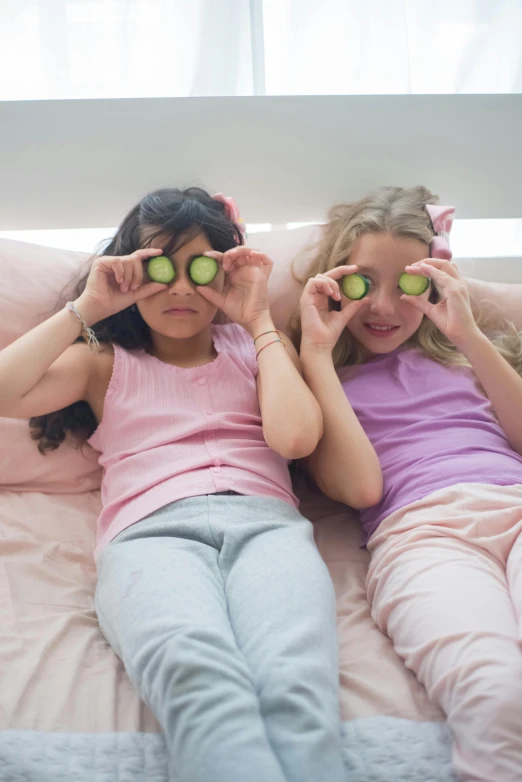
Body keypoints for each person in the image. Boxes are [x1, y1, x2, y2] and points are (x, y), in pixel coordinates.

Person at [0, 187, 382, 782]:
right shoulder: (104, 363)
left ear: (225, 272)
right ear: (130, 272)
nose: (179, 289)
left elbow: (296, 439)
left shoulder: (257, 347)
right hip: (150, 537)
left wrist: (257, 320)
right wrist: (89, 307)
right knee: (199, 678)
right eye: (159, 268)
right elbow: (6, 389)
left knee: (295, 683)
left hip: (266, 528)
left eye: (198, 269)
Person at [295, 185, 522, 782]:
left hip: (515, 504)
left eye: (409, 284)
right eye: (365, 282)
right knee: (495, 691)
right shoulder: (318, 383)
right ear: (333, 281)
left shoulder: (465, 354)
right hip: (423, 533)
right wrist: (316, 355)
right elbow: (363, 488)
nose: (385, 306)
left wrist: (468, 332)